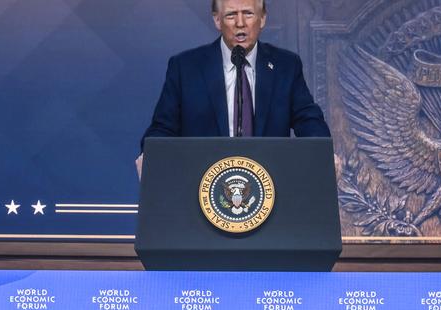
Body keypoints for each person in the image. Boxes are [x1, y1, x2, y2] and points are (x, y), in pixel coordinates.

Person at [136, 0, 330, 177]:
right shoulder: (186, 67)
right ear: (217, 20)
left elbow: (308, 119)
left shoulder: (286, 65)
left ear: (262, 19)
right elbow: (163, 127)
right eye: (231, 15)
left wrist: (323, 152)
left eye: (248, 14)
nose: (240, 23)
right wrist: (151, 154)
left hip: (270, 184)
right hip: (201, 185)